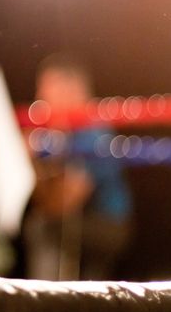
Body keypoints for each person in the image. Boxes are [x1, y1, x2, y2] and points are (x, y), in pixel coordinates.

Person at [23, 52, 133, 280]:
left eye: (46, 88)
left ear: (70, 89)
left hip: (106, 224)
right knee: (42, 226)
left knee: (43, 228)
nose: (40, 97)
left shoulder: (94, 131)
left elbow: (66, 201)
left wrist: (29, 165)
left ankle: (46, 306)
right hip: (83, 219)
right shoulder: (61, 133)